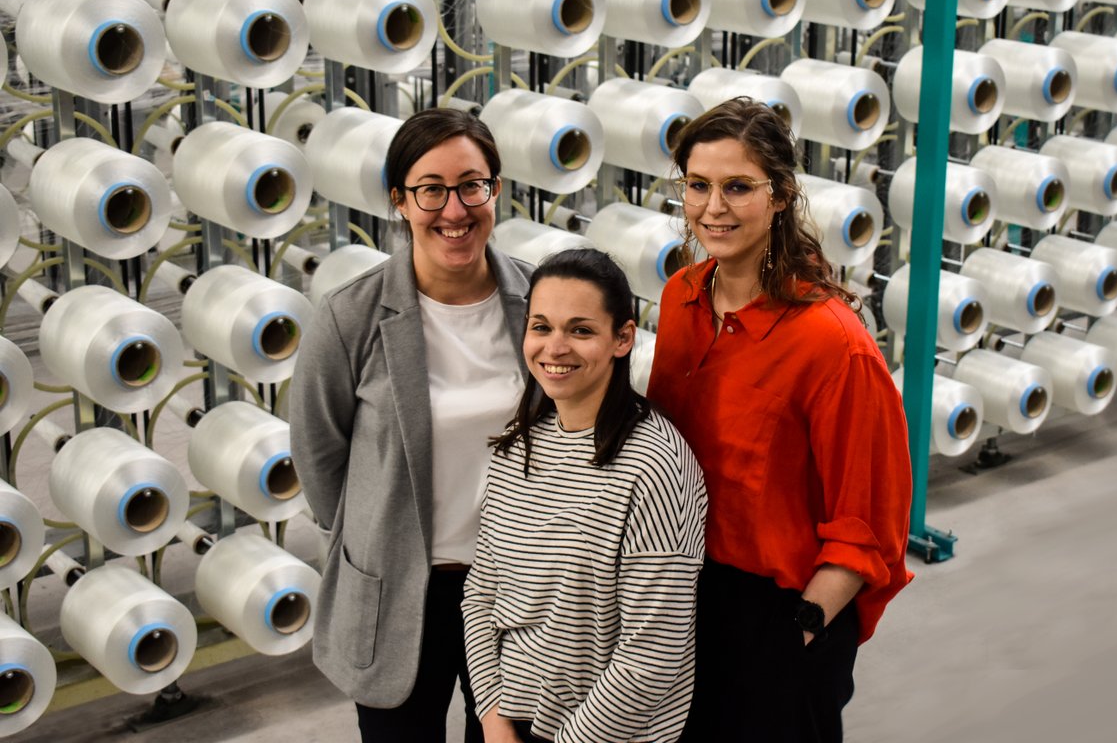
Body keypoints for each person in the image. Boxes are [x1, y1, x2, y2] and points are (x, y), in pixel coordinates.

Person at [646, 97, 913, 742]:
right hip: (686, 595)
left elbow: (870, 524)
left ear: (781, 195)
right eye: (699, 186)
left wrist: (800, 628)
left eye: (738, 187)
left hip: (782, 612)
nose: (714, 207)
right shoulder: (681, 298)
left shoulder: (832, 343)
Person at [290, 108, 531, 743]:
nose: (454, 209)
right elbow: (320, 456)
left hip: (517, 596)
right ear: (400, 200)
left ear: (495, 190)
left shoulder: (539, 303)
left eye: (471, 185)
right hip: (403, 591)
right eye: (431, 190)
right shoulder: (351, 317)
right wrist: (372, 533)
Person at [462, 248, 707, 743]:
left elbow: (652, 653)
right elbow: (481, 592)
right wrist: (491, 716)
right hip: (510, 723)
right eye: (541, 326)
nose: (554, 348)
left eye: (580, 330)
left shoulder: (655, 464)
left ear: (622, 339)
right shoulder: (520, 443)